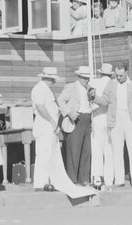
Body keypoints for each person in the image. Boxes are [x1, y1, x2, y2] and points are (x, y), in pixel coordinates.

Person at [30, 67, 97, 199]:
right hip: (45, 123)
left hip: (50, 124)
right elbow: (41, 107)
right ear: (47, 78)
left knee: (50, 153)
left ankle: (46, 180)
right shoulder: (39, 88)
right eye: (52, 80)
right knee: (44, 153)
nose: (53, 82)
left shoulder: (45, 89)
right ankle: (40, 182)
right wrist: (52, 121)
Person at [106, 61, 132, 188]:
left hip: (130, 118)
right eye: (116, 75)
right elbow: (104, 99)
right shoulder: (111, 84)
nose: (118, 77)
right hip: (115, 117)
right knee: (117, 150)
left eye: (120, 75)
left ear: (126, 73)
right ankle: (119, 180)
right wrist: (94, 97)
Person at [58, 65, 94, 186]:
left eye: (87, 78)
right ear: (79, 77)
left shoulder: (89, 89)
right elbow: (60, 101)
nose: (86, 80)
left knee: (86, 151)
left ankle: (84, 178)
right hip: (76, 118)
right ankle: (72, 179)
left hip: (87, 118)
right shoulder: (70, 87)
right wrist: (70, 113)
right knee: (74, 150)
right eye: (84, 78)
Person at [89, 63, 115, 189]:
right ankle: (109, 179)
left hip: (97, 116)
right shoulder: (113, 84)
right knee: (109, 148)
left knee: (97, 147)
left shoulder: (94, 82)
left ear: (100, 73)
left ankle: (97, 177)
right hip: (109, 116)